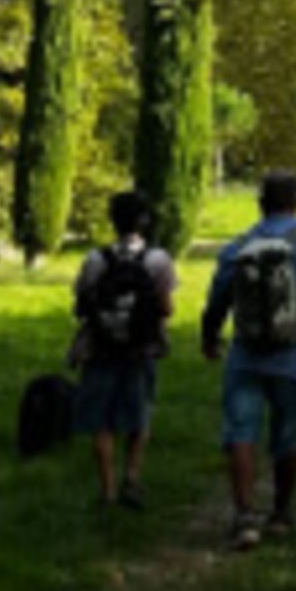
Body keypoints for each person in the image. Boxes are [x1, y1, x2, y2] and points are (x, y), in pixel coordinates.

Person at [200, 168, 296, 548]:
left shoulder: (238, 247)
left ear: (260, 203)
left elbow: (217, 302)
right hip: (295, 357)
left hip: (246, 356)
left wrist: (210, 339)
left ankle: (246, 517)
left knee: (240, 434)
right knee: (287, 435)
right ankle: (281, 513)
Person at [69, 190, 179, 510]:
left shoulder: (95, 259)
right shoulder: (158, 260)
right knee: (139, 414)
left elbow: (81, 303)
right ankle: (132, 477)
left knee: (101, 421)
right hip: (141, 348)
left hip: (101, 347)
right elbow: (168, 308)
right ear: (144, 221)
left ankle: (107, 489)